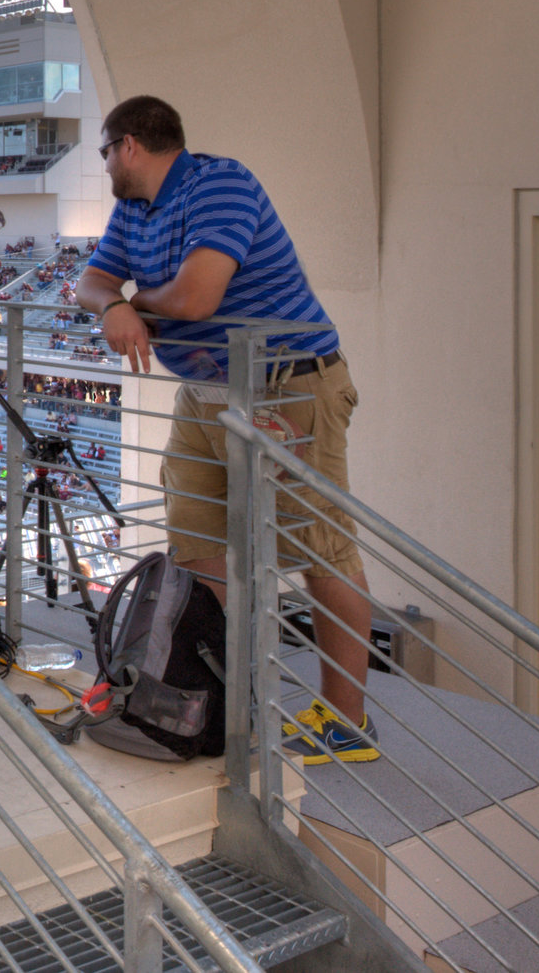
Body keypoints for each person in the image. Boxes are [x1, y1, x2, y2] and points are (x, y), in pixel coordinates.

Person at [71, 94, 377, 766]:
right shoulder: (134, 208)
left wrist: (134, 303)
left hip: (287, 384)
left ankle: (348, 722)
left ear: (128, 146)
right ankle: (215, 696)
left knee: (318, 544)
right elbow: (88, 282)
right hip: (206, 391)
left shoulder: (222, 184)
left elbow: (195, 296)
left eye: (103, 152)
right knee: (198, 543)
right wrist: (111, 306)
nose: (105, 166)